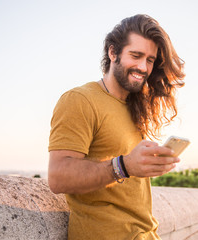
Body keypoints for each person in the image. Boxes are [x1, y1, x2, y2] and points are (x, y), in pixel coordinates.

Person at [48, 14, 185, 240]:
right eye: (136, 55)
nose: (142, 67)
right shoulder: (80, 100)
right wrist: (124, 166)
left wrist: (150, 164)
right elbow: (58, 177)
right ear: (113, 52)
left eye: (150, 60)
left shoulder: (135, 106)